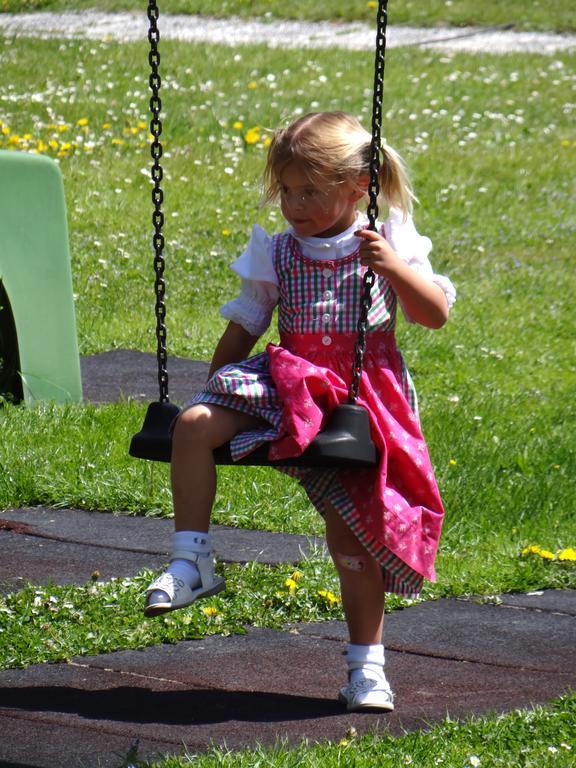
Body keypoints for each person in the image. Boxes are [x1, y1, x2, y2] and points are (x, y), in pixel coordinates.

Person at [144, 111, 456, 712]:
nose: (294, 204)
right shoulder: (279, 251)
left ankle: (368, 668)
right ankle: (191, 559)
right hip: (292, 382)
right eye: (287, 190)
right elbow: (246, 326)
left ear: (357, 187)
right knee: (191, 425)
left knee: (353, 538)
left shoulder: (387, 240)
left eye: (310, 191)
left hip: (359, 400)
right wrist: (215, 390)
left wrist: (392, 267)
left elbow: (433, 314)